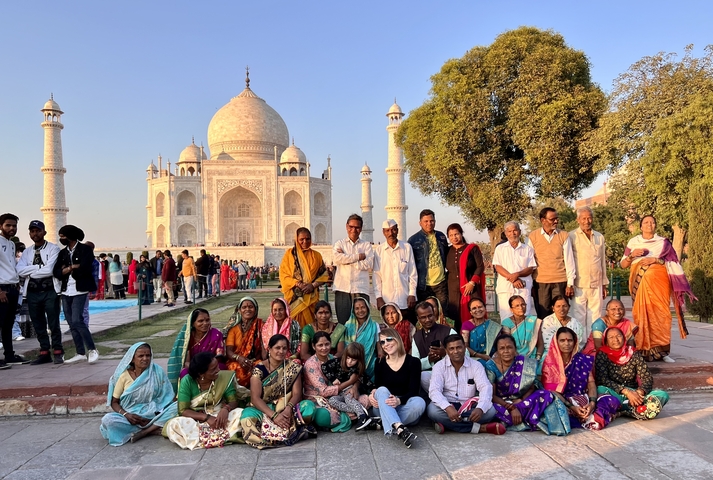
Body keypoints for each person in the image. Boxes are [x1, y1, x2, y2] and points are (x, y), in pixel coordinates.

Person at [620, 215, 694, 362]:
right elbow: (622, 264)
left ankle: (663, 352)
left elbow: (673, 262)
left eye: (652, 222)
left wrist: (655, 260)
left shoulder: (663, 243)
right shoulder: (633, 242)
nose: (649, 224)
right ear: (640, 226)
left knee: (662, 315)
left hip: (660, 284)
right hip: (639, 284)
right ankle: (642, 349)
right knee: (642, 315)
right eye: (646, 222)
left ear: (655, 225)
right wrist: (631, 256)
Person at [240, 334, 317, 449]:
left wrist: (288, 409)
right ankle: (290, 434)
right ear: (269, 349)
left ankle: (279, 434)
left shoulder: (293, 367)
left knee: (309, 407)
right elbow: (255, 398)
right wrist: (274, 415)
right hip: (264, 409)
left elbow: (297, 394)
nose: (281, 351)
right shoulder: (259, 369)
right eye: (277, 348)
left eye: (284, 348)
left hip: (286, 408)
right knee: (247, 417)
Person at [485, 334, 569, 434]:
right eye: (502, 348)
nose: (506, 351)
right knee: (492, 409)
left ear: (515, 349)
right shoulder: (491, 366)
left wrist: (521, 400)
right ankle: (525, 416)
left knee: (545, 394)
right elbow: (491, 395)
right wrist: (511, 408)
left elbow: (531, 387)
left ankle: (512, 420)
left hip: (521, 400)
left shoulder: (524, 362)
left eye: (509, 347)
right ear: (497, 351)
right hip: (501, 403)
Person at [541, 328, 621, 430]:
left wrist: (592, 403)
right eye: (562, 340)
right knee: (554, 408)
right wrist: (572, 406)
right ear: (556, 343)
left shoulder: (582, 359)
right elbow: (550, 390)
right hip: (563, 401)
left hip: (583, 398)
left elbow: (591, 383)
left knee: (610, 400)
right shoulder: (549, 362)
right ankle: (595, 418)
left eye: (570, 340)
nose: (567, 344)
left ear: (574, 342)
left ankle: (589, 415)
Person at [100, 343, 178, 446]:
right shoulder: (124, 376)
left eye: (148, 355)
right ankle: (154, 429)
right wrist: (126, 415)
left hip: (154, 414)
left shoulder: (157, 371)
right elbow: (114, 402)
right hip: (132, 417)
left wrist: (165, 410)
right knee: (108, 420)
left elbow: (168, 396)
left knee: (178, 406)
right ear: (132, 359)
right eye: (141, 356)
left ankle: (144, 432)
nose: (145, 359)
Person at [164, 352, 245, 450]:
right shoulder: (187, 381)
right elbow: (183, 410)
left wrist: (226, 409)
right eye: (213, 369)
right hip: (196, 419)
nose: (218, 370)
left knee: (240, 413)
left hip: (220, 417)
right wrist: (206, 418)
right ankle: (222, 437)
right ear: (201, 374)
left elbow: (233, 401)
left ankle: (205, 439)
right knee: (175, 424)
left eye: (217, 366)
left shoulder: (223, 377)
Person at [427, 334, 504, 435]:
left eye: (459, 347)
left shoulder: (476, 365)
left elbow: (485, 387)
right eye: (451, 348)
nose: (456, 351)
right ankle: (480, 428)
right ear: (446, 351)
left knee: (490, 411)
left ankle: (447, 424)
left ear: (464, 347)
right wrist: (448, 408)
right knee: (432, 410)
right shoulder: (439, 367)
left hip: (468, 406)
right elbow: (434, 390)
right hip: (448, 405)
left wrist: (480, 408)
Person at [16, 220, 64, 365]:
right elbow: (19, 270)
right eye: (32, 231)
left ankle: (58, 351)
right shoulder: (27, 251)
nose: (35, 234)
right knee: (38, 323)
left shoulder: (53, 249)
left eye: (38, 230)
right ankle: (44, 352)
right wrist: (38, 268)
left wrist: (30, 270)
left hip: (50, 291)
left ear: (44, 232)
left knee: (53, 322)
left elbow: (49, 270)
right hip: (32, 292)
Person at [595, 327, 669, 420]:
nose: (616, 340)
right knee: (600, 390)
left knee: (662, 395)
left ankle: (623, 410)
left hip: (635, 393)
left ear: (624, 337)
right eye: (611, 337)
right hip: (614, 392)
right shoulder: (602, 354)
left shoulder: (633, 353)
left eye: (619, 336)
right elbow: (603, 379)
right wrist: (627, 392)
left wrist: (639, 392)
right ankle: (635, 409)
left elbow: (647, 377)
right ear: (606, 341)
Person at [369, 328, 426, 448]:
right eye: (382, 342)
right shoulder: (379, 362)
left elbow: (414, 391)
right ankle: (400, 428)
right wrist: (372, 393)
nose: (386, 344)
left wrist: (399, 400)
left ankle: (386, 423)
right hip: (384, 406)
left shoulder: (413, 362)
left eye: (389, 339)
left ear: (397, 339)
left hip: (405, 406)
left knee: (419, 402)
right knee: (382, 389)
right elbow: (378, 387)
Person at [53, 224, 99, 364]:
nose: (61, 239)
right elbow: (56, 272)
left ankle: (92, 349)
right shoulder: (63, 253)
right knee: (71, 323)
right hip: (66, 291)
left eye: (63, 236)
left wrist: (67, 269)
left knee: (78, 320)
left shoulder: (85, 250)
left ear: (70, 236)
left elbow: (85, 269)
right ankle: (80, 352)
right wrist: (71, 268)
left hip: (80, 290)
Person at [302, 331, 360, 432]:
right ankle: (349, 417)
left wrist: (354, 386)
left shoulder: (333, 359)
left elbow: (355, 374)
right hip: (318, 400)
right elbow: (323, 391)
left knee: (364, 399)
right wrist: (350, 383)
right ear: (313, 346)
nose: (324, 348)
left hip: (338, 397)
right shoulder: (311, 364)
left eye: (327, 344)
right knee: (322, 417)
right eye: (320, 345)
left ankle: (351, 414)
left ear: (331, 343)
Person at [527, 207, 576, 319]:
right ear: (543, 220)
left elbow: (569, 260)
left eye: (556, 218)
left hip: (560, 281)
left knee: (561, 314)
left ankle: (560, 336)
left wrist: (570, 284)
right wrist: (531, 284)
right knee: (543, 315)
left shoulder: (563, 235)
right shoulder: (533, 237)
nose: (556, 221)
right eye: (552, 219)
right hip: (540, 283)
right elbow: (529, 262)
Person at [569, 206, 609, 337]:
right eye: (584, 218)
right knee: (578, 318)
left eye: (589, 218)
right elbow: (568, 261)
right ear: (578, 220)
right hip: (579, 283)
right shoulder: (571, 236)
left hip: (596, 284)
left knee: (595, 317)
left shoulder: (599, 237)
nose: (587, 221)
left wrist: (604, 284)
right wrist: (569, 283)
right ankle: (579, 348)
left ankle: (592, 348)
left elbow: (602, 261)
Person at [279, 227, 329, 328]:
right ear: (297, 239)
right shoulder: (290, 254)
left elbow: (324, 275)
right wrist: (298, 284)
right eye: (302, 239)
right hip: (294, 299)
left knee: (311, 329)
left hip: (312, 298)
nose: (305, 241)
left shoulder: (316, 255)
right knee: (294, 330)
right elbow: (284, 275)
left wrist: (313, 285)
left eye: (308, 239)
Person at [167, 308, 226, 392]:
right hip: (194, 367)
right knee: (184, 372)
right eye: (200, 321)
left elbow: (219, 357)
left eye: (207, 320)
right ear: (193, 323)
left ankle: (217, 396)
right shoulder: (188, 337)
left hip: (214, 366)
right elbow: (186, 362)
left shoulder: (216, 334)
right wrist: (199, 369)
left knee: (222, 368)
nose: (205, 323)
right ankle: (187, 397)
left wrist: (207, 368)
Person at [321, 341, 374, 430]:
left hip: (350, 391)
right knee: (332, 401)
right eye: (348, 358)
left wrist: (374, 389)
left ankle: (362, 416)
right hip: (339, 393)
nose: (349, 362)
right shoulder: (338, 362)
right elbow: (324, 367)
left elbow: (366, 381)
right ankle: (360, 412)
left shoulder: (357, 369)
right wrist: (333, 379)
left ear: (359, 360)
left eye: (353, 360)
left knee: (348, 397)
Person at [373, 219, 417, 324]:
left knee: (406, 331)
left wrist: (412, 294)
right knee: (391, 333)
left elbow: (412, 273)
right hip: (387, 300)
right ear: (383, 232)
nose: (390, 233)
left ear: (397, 230)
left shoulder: (406, 248)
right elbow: (377, 276)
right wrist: (378, 297)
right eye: (387, 231)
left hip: (405, 299)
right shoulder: (379, 251)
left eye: (393, 230)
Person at [333, 214, 374, 324]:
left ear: (361, 229)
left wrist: (347, 259)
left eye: (357, 227)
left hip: (360, 289)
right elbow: (337, 258)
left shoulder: (366, 245)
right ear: (347, 226)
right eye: (351, 227)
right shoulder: (339, 243)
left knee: (362, 323)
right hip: (342, 288)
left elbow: (369, 264)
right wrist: (358, 257)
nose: (354, 230)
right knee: (343, 324)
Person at [492, 221, 537, 320]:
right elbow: (497, 266)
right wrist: (513, 279)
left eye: (515, 230)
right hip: (506, 288)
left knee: (525, 315)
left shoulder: (527, 249)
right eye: (509, 231)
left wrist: (517, 274)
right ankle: (507, 336)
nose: (512, 234)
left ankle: (524, 336)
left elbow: (531, 268)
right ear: (505, 233)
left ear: (519, 232)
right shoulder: (500, 248)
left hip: (523, 288)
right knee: (506, 317)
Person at [445, 223, 485, 332]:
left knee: (475, 312)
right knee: (455, 315)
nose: (454, 237)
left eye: (456, 234)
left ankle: (477, 340)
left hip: (471, 288)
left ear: (461, 234)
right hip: (453, 288)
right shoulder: (447, 251)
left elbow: (480, 266)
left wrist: (472, 283)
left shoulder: (472, 248)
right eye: (451, 235)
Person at [410, 301, 456, 391]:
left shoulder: (448, 331)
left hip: (452, 372)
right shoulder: (417, 337)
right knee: (423, 376)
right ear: (418, 319)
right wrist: (429, 360)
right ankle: (439, 398)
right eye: (423, 317)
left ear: (434, 315)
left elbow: (465, 353)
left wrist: (446, 353)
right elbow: (415, 364)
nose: (427, 320)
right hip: (431, 376)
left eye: (430, 316)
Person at [0, 213, 26, 369]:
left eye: (14, 225)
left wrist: (15, 283)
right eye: (8, 225)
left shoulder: (11, 244)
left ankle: (9, 355)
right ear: (1, 226)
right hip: (2, 289)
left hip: (12, 288)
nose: (11, 228)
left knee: (8, 324)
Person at [408, 209, 449, 307]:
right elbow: (410, 265)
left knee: (442, 313)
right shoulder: (413, 240)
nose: (429, 223)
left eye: (431, 221)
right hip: (423, 285)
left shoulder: (441, 237)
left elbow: (447, 255)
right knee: (423, 314)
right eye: (426, 221)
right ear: (420, 223)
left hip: (440, 284)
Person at [223, 296, 263, 387]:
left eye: (250, 307)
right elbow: (229, 351)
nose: (247, 309)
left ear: (255, 309)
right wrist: (238, 358)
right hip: (236, 361)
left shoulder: (261, 325)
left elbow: (263, 349)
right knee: (235, 369)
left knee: (259, 368)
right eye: (244, 307)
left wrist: (251, 361)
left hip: (255, 360)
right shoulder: (233, 329)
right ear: (239, 310)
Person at [344, 297, 379, 381]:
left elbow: (378, 344)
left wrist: (381, 355)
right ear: (353, 311)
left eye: (363, 307)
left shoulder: (375, 325)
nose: (360, 311)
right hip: (351, 360)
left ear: (367, 308)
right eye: (357, 308)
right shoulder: (347, 325)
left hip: (369, 361)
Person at [540, 296, 585, 361]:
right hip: (551, 355)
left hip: (572, 355)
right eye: (558, 306)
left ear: (569, 307)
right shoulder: (547, 322)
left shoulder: (576, 323)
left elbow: (579, 344)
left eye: (564, 306)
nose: (562, 309)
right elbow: (547, 345)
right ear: (553, 308)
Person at [460, 298, 502, 366]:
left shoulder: (493, 326)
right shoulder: (466, 325)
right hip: (474, 358)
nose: (478, 310)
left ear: (485, 309)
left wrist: (494, 357)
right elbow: (465, 346)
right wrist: (479, 355)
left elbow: (500, 345)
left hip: (492, 358)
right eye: (474, 308)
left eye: (480, 307)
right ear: (470, 312)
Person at [500, 295, 543, 360]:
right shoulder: (506, 323)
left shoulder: (533, 321)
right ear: (511, 309)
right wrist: (519, 358)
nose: (521, 307)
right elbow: (507, 343)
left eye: (523, 304)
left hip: (532, 357)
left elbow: (540, 343)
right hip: (513, 356)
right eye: (517, 306)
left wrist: (538, 358)